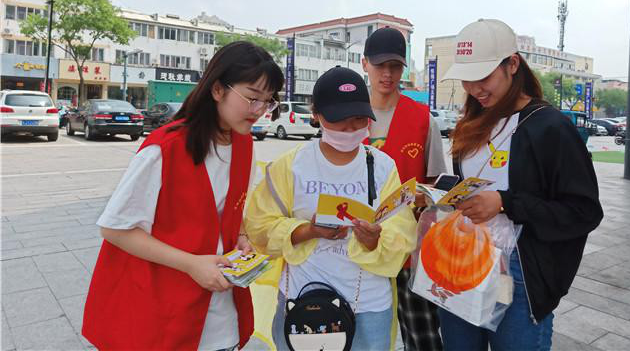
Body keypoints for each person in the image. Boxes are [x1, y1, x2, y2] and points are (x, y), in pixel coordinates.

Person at [82, 42, 284, 351]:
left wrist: (242, 236)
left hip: (221, 312)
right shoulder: (165, 148)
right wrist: (191, 264)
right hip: (164, 311)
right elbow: (115, 229)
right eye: (252, 98)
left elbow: (228, 210)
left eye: (268, 101)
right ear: (218, 89)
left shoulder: (243, 144)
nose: (259, 110)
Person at [440, 18, 603, 351]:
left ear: (512, 64)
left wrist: (505, 202)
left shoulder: (549, 127)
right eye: (467, 79)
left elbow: (584, 211)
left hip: (519, 275)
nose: (475, 89)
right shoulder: (471, 124)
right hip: (461, 263)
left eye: (484, 77)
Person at [244, 66, 417, 351]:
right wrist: (307, 231)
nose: (350, 129)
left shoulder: (383, 166)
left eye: (359, 119)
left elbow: (402, 230)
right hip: (303, 302)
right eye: (339, 120)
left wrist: (374, 240)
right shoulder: (292, 165)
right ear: (316, 115)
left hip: (368, 306)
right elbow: (258, 227)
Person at [361, 26, 448, 351]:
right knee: (362, 334)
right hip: (359, 246)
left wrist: (427, 196)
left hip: (410, 249)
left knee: (423, 336)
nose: (387, 74)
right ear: (364, 64)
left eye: (395, 66)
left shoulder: (423, 119)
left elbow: (437, 185)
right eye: (379, 65)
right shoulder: (348, 115)